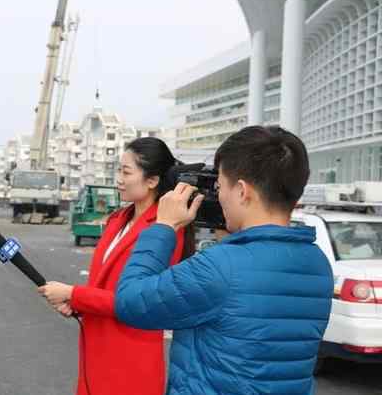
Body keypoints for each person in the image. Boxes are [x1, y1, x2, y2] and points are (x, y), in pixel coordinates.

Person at [115, 126, 334, 395]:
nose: (217, 195)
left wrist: (163, 227)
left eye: (219, 185)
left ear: (242, 191)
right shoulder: (317, 262)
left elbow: (129, 301)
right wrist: (231, 238)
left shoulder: (218, 266)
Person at [38, 137, 194, 395]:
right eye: (118, 170)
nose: (118, 178)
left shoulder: (166, 230)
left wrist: (73, 294)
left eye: (126, 172)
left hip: (130, 357)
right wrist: (78, 304)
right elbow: (102, 284)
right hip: (95, 346)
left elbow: (139, 301)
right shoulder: (118, 219)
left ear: (152, 181)